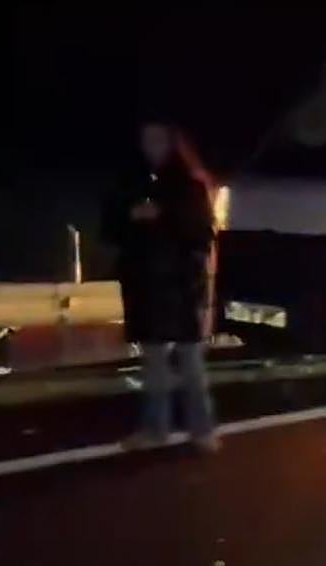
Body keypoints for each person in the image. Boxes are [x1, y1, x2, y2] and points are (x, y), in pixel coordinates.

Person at [103, 121, 219, 452]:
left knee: (191, 363)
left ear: (172, 142)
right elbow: (110, 228)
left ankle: (202, 429)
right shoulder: (129, 181)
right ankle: (155, 429)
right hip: (145, 286)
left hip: (181, 286)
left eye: (158, 138)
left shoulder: (188, 184)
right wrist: (131, 217)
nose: (151, 146)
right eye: (145, 139)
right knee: (153, 365)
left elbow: (202, 234)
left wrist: (163, 216)